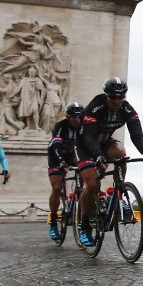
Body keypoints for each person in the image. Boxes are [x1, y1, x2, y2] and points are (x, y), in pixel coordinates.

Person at [76, 78, 143, 247]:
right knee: (91, 186)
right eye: (113, 97)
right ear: (106, 96)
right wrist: (98, 156)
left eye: (121, 97)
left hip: (105, 141)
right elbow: (89, 137)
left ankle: (119, 193)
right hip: (85, 144)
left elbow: (137, 135)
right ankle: (84, 226)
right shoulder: (96, 106)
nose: (117, 101)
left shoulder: (126, 108)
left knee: (120, 153)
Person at [46, 101, 84, 240]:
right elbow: (55, 145)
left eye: (80, 117)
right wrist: (61, 162)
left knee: (85, 172)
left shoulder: (83, 127)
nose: (78, 120)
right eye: (75, 117)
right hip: (56, 156)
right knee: (57, 187)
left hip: (72, 155)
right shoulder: (60, 126)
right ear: (68, 117)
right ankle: (54, 221)